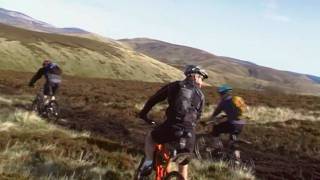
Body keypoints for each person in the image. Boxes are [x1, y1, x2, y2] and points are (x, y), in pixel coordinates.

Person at [138, 65, 208, 180]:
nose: (202, 82)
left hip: (172, 127)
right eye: (201, 78)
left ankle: (148, 163)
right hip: (190, 134)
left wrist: (143, 114)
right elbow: (198, 116)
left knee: (151, 137)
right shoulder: (201, 95)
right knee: (183, 164)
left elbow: (154, 99)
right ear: (194, 76)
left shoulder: (174, 86)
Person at [209, 84, 246, 163]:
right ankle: (237, 160)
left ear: (223, 93)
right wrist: (227, 115)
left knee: (216, 129)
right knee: (233, 141)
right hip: (241, 124)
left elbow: (216, 112)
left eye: (220, 94)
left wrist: (210, 119)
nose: (220, 95)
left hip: (232, 124)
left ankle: (217, 149)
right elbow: (235, 112)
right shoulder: (236, 99)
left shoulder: (224, 102)